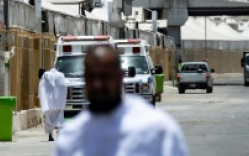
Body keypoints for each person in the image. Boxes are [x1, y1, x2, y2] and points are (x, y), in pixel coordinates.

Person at [54, 45, 188, 156]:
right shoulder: (71, 137)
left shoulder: (155, 128)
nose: (98, 85)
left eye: (105, 77)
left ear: (120, 77)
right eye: (92, 77)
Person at [39, 65, 68, 141]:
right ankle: (60, 134)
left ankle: (50, 135)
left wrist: (43, 99)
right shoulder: (61, 75)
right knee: (59, 118)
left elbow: (42, 87)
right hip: (58, 102)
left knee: (49, 119)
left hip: (49, 102)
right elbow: (64, 87)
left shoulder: (45, 75)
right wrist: (63, 99)